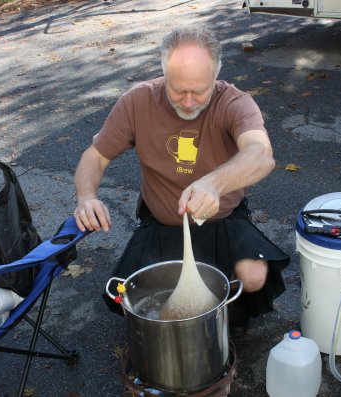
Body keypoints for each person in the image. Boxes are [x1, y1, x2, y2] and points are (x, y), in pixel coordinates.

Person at [73, 25, 289, 330]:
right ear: (163, 74)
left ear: (216, 77)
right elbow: (93, 157)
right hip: (162, 222)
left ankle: (221, 323)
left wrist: (214, 183)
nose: (188, 102)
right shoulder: (137, 102)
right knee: (129, 293)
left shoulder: (233, 102)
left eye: (199, 91)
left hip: (223, 218)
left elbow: (261, 154)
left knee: (252, 276)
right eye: (178, 90)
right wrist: (86, 197)